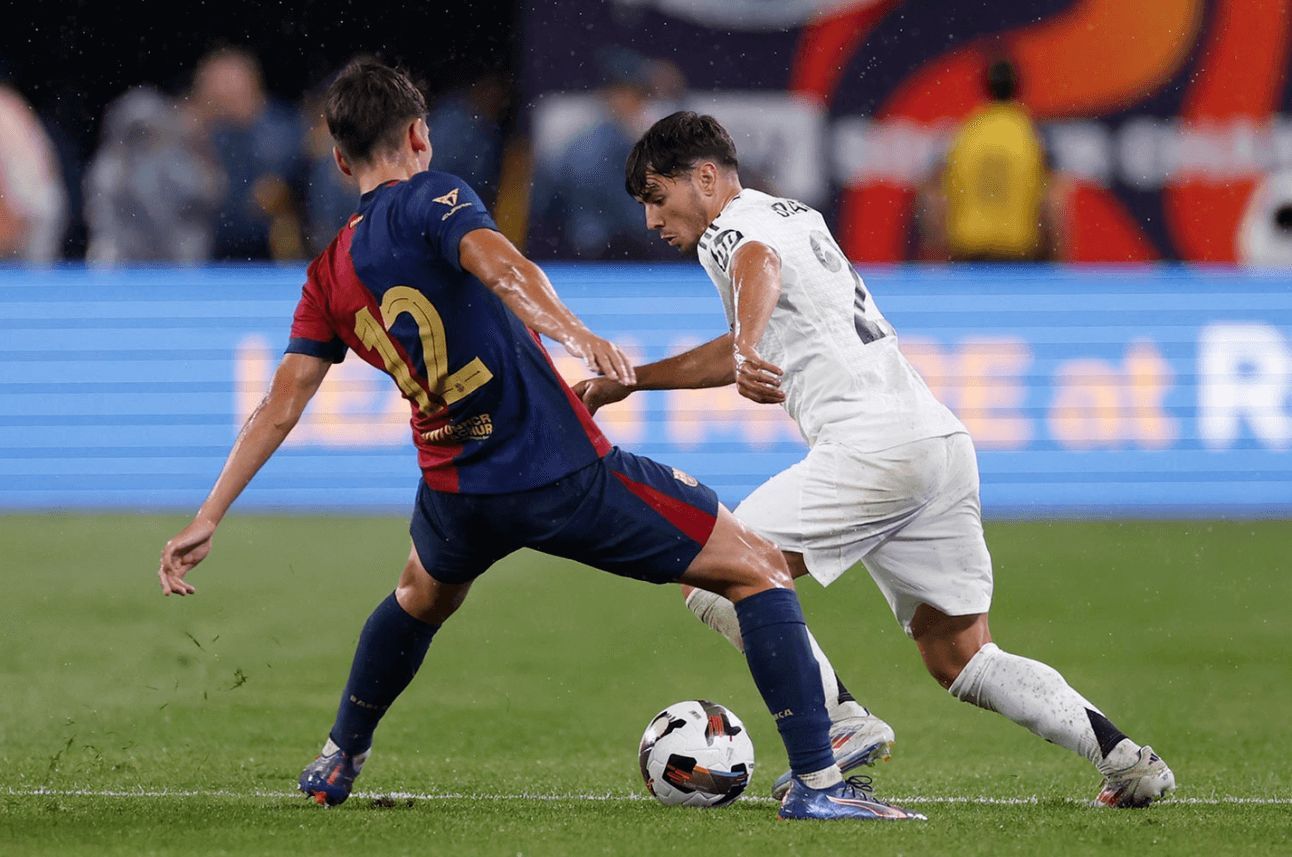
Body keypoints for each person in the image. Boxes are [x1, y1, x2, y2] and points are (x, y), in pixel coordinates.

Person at [155, 61, 923, 823]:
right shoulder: (436, 196)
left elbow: (280, 402)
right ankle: (822, 778)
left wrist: (210, 512)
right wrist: (577, 334)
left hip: (456, 489)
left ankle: (339, 754)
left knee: (419, 595)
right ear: (420, 134)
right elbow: (505, 266)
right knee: (755, 566)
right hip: (558, 468)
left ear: (338, 157)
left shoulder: (327, 272)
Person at [575, 111, 1176, 809]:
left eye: (656, 196)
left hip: (872, 448)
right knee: (962, 654)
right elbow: (747, 327)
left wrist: (742, 345)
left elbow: (753, 267)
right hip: (935, 443)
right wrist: (643, 377)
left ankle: (838, 723)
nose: (652, 219)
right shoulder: (794, 214)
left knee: (713, 570)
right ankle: (1128, 761)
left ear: (703, 178)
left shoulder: (730, 229)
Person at [918, 58, 1059, 262]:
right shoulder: (1032, 135)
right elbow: (1052, 203)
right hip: (1019, 257)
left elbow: (933, 197)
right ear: (1019, 87)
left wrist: (935, 251)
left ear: (984, 87)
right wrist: (1058, 258)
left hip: (968, 255)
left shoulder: (964, 133)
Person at [189, 47, 304, 260]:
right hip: (199, 259)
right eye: (217, 101)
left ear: (256, 92)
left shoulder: (286, 136)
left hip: (271, 261)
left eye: (236, 95)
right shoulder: (184, 140)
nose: (228, 108)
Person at [84, 87, 222, 264]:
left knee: (191, 238)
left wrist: (199, 148)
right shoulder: (110, 166)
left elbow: (206, 196)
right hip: (126, 255)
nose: (142, 138)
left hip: (176, 255)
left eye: (148, 131)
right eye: (137, 131)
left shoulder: (177, 161)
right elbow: (102, 216)